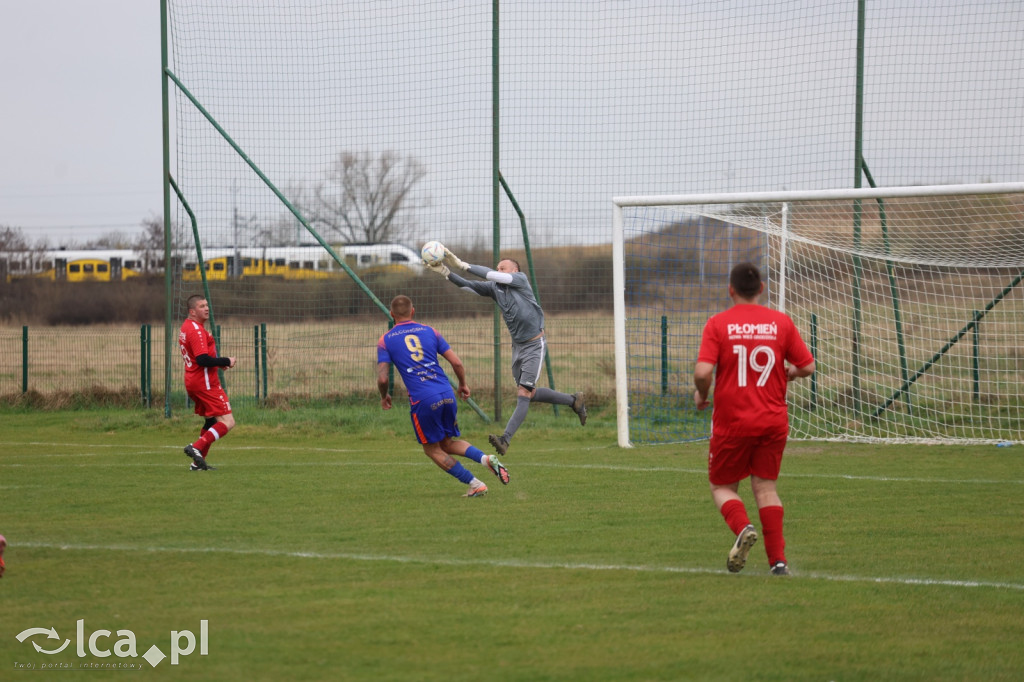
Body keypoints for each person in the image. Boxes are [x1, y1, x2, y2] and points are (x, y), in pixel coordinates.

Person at [693, 262, 815, 576]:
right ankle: (778, 562)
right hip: (773, 420)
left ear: (730, 289)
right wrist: (791, 373)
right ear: (761, 288)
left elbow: (703, 372)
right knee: (766, 488)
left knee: (722, 486)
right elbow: (807, 366)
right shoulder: (781, 323)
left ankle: (743, 526)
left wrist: (702, 395)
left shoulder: (718, 324)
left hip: (733, 422)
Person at [425, 248, 586, 456]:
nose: (498, 269)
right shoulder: (495, 288)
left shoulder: (520, 279)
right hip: (517, 347)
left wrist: (464, 265)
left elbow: (493, 275)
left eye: (503, 267)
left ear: (514, 270)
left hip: (534, 346)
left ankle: (505, 439)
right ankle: (574, 401)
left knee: (524, 393)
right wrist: (447, 273)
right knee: (530, 393)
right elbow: (469, 286)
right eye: (498, 267)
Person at [377, 294, 509, 497]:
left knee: (432, 449)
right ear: (413, 311)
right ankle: (485, 459)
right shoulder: (431, 331)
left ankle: (475, 484)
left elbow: (383, 379)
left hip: (423, 399)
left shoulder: (385, 340)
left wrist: (384, 396)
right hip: (447, 393)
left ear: (392, 314)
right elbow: (456, 363)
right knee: (447, 443)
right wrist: (463, 384)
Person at [178, 295, 236, 471]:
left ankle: (197, 463)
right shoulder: (195, 330)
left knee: (211, 422)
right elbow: (202, 359)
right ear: (192, 311)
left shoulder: (187, 327)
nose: (206, 308)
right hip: (205, 383)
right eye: (202, 306)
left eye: (206, 305)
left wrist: (218, 363)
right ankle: (196, 447)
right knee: (227, 422)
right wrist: (226, 360)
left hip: (194, 381)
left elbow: (200, 358)